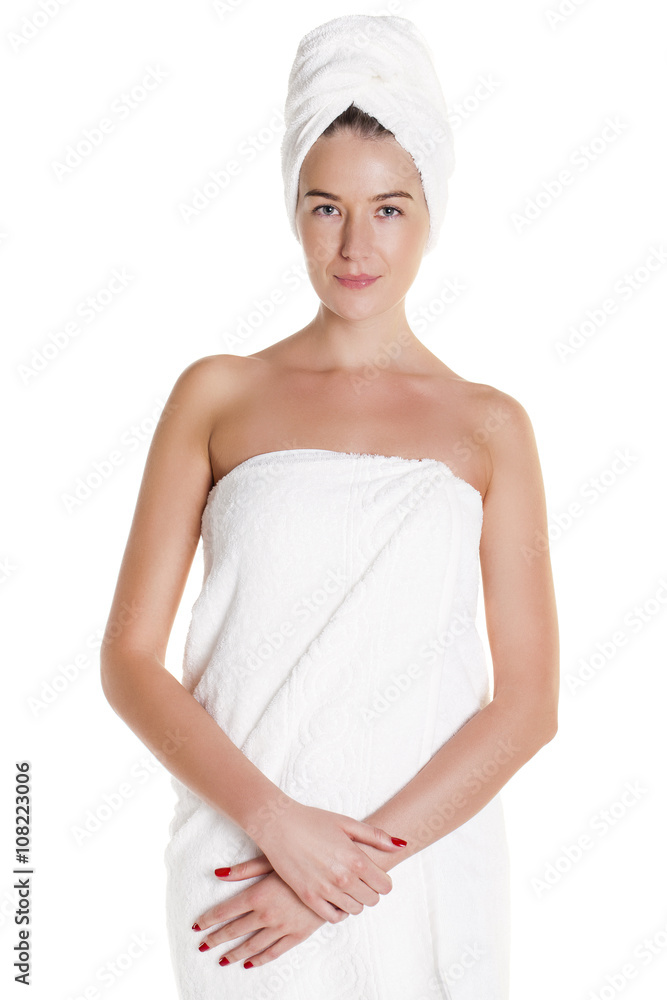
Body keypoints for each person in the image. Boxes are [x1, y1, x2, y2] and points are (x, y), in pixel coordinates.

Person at [100, 14, 559, 1000]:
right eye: (325, 207)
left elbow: (527, 706)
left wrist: (343, 873)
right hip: (239, 870)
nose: (356, 246)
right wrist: (275, 826)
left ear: (430, 206)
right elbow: (130, 660)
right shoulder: (215, 394)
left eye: (388, 208)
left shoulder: (490, 426)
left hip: (418, 869)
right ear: (291, 208)